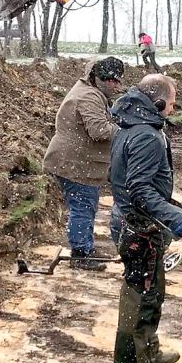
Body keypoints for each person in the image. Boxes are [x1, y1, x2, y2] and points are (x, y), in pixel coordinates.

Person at [109, 74, 182, 363]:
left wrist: (170, 209)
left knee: (153, 291)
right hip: (138, 226)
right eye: (171, 103)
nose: (173, 108)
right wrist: (171, 216)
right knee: (139, 295)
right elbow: (139, 188)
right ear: (157, 103)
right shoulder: (145, 134)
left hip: (141, 222)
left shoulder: (131, 125)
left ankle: (148, 350)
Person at [43, 57, 124, 271]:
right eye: (113, 81)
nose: (116, 86)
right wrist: (125, 131)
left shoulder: (89, 90)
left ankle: (84, 248)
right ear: (100, 79)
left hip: (75, 160)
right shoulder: (89, 96)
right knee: (83, 207)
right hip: (74, 164)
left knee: (85, 206)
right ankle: (81, 254)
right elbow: (99, 131)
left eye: (118, 81)